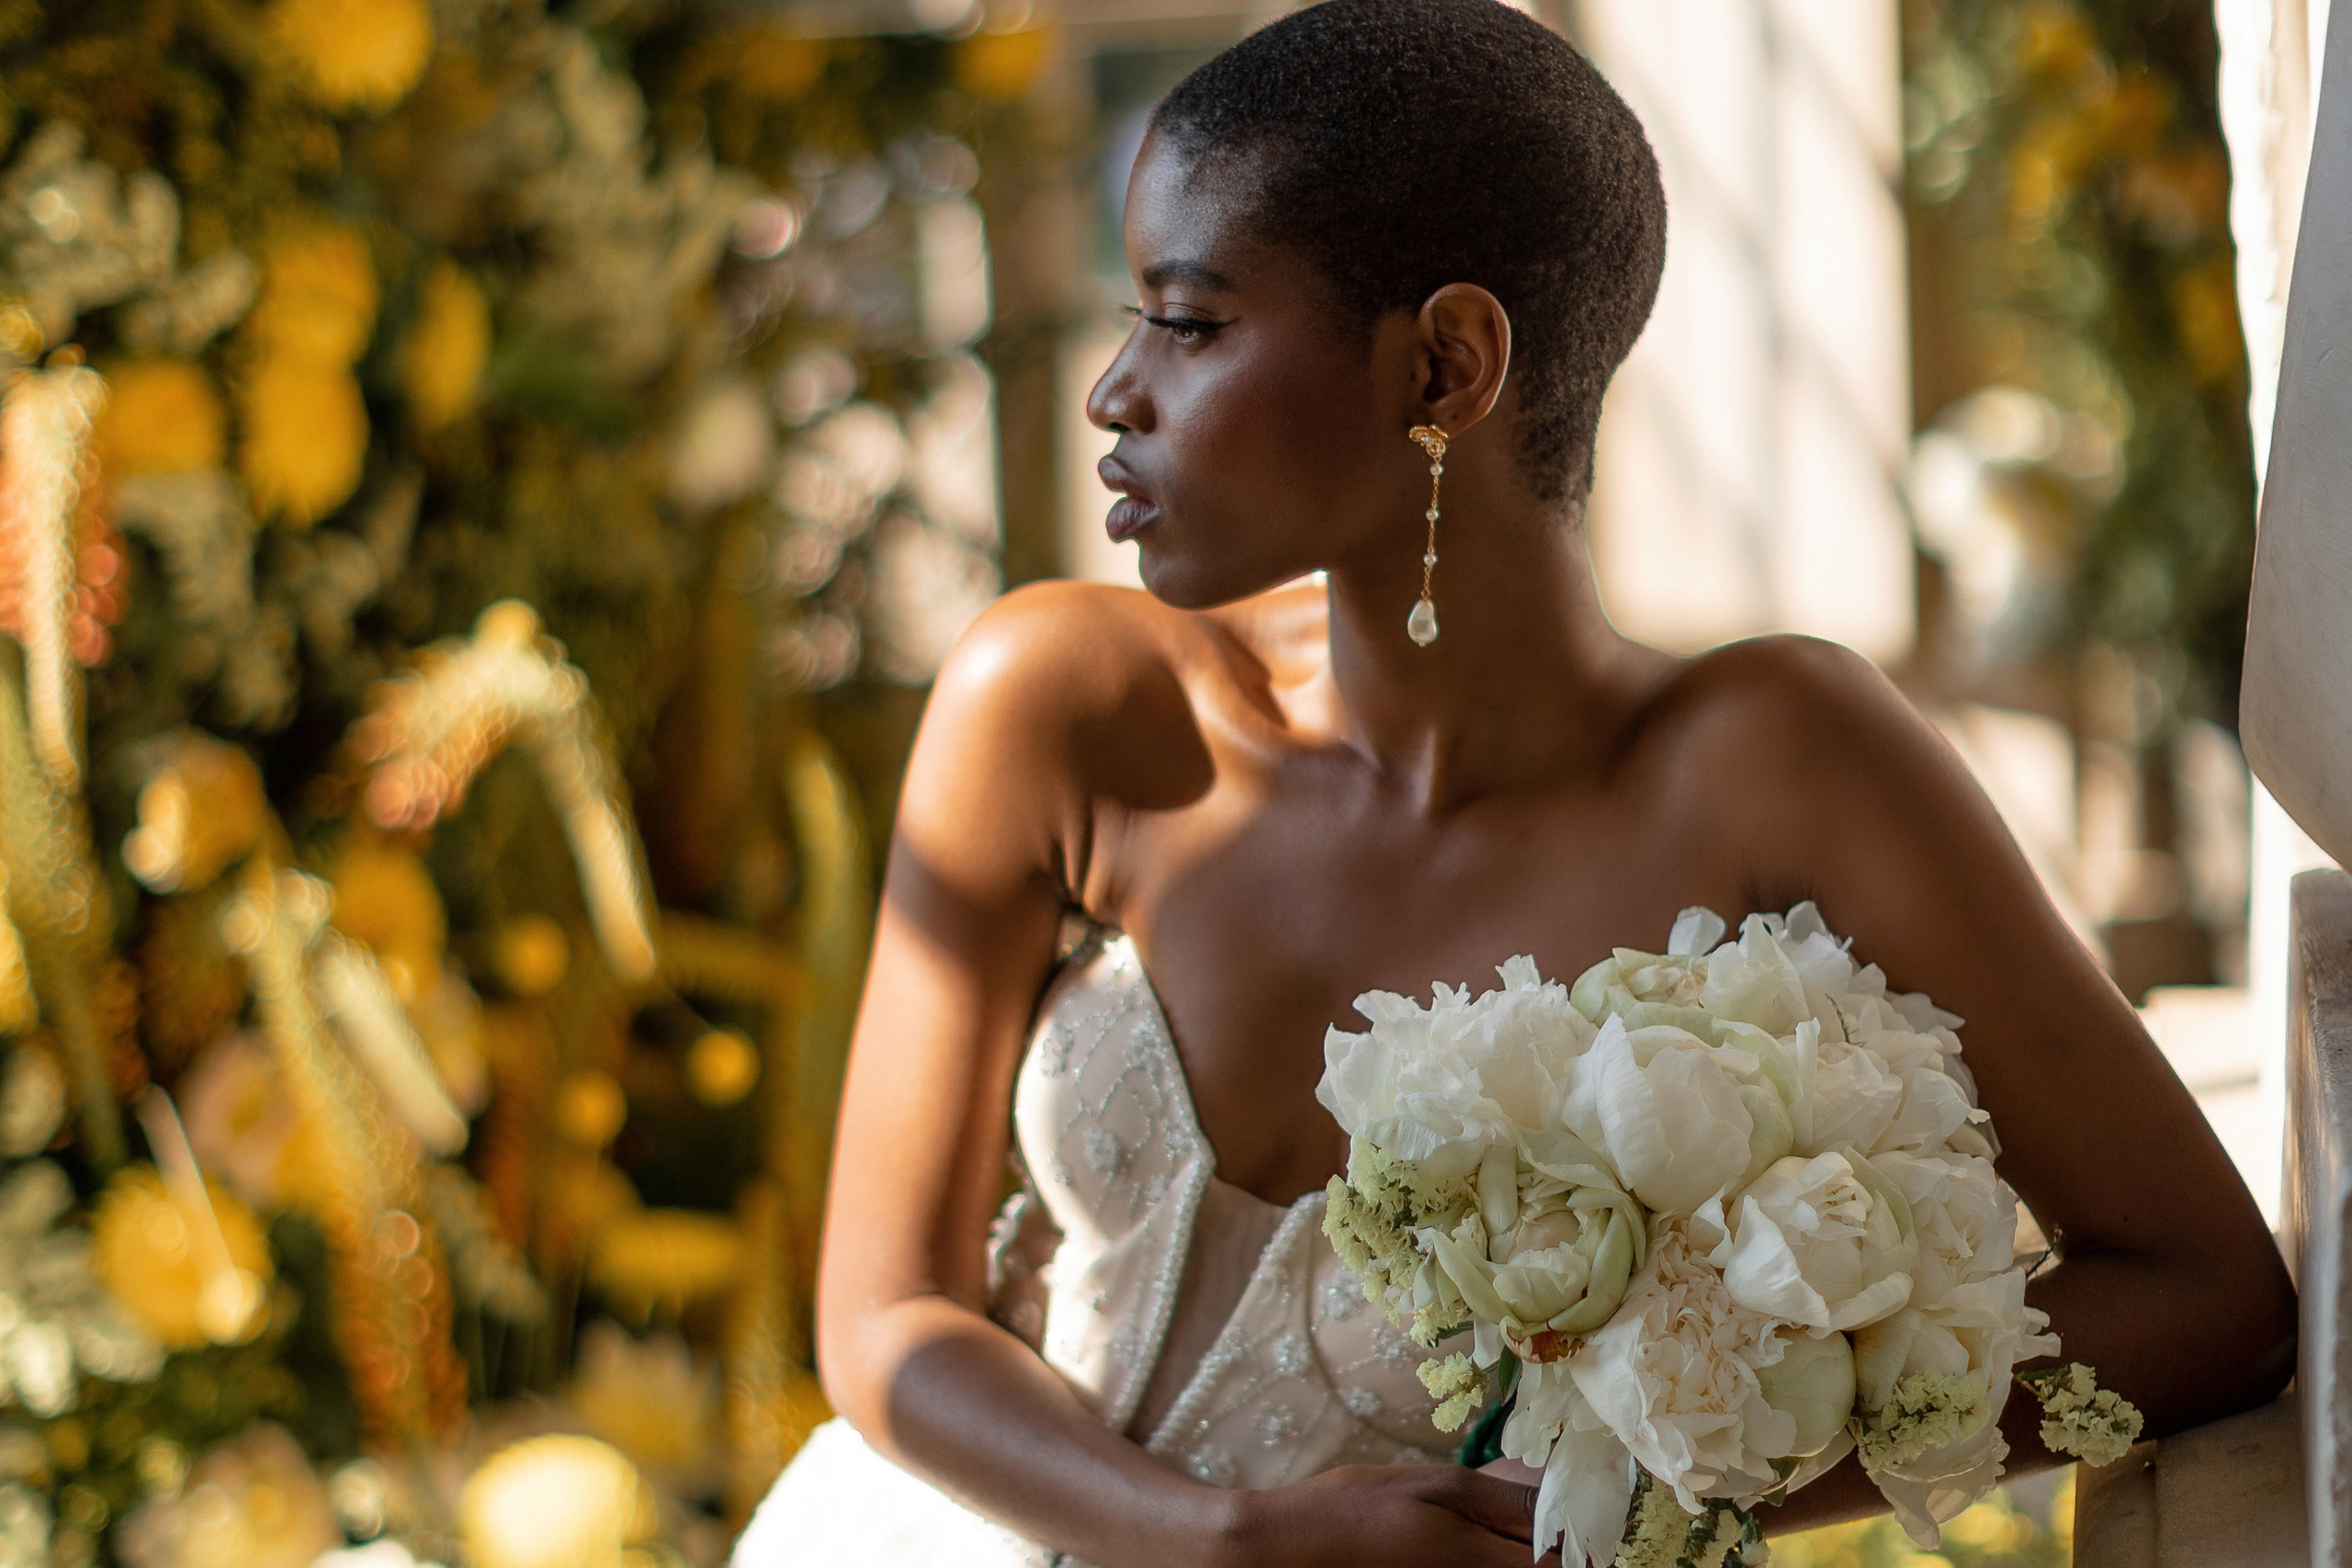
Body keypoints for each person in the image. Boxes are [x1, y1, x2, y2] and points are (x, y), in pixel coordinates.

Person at [730, 2, 2295, 1563]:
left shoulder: (1774, 766)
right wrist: (1219, 1542)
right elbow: (888, 1312)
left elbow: (2201, 1294)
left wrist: (1622, 1520)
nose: (1115, 389)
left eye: (1190, 323)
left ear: (1448, 363)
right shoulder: (1063, 705)